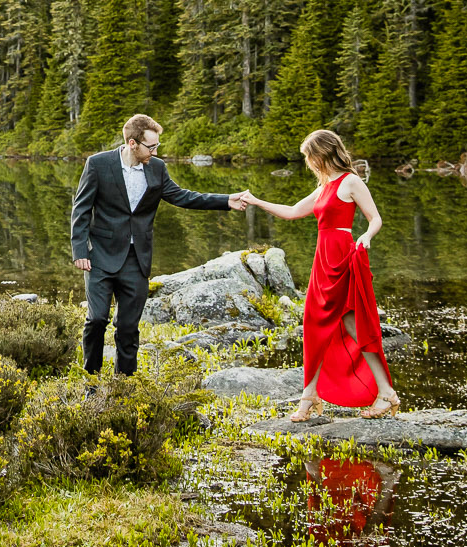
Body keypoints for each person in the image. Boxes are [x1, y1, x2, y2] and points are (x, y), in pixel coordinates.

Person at [238, 129, 399, 420]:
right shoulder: (324, 186)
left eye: (310, 157)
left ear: (323, 153)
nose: (309, 163)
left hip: (343, 257)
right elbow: (291, 211)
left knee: (354, 326)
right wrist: (257, 201)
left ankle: (385, 393)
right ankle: (310, 395)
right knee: (314, 324)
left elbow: (375, 218)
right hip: (323, 261)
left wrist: (367, 236)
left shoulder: (350, 181)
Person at [70, 113, 248, 376]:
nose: (155, 151)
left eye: (157, 146)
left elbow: (183, 196)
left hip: (136, 259)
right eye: (151, 146)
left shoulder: (156, 168)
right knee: (97, 320)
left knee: (128, 328)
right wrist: (79, 250)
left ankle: (125, 386)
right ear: (132, 144)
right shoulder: (98, 164)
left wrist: (225, 200)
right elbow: (81, 210)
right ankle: (91, 381)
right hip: (101, 257)